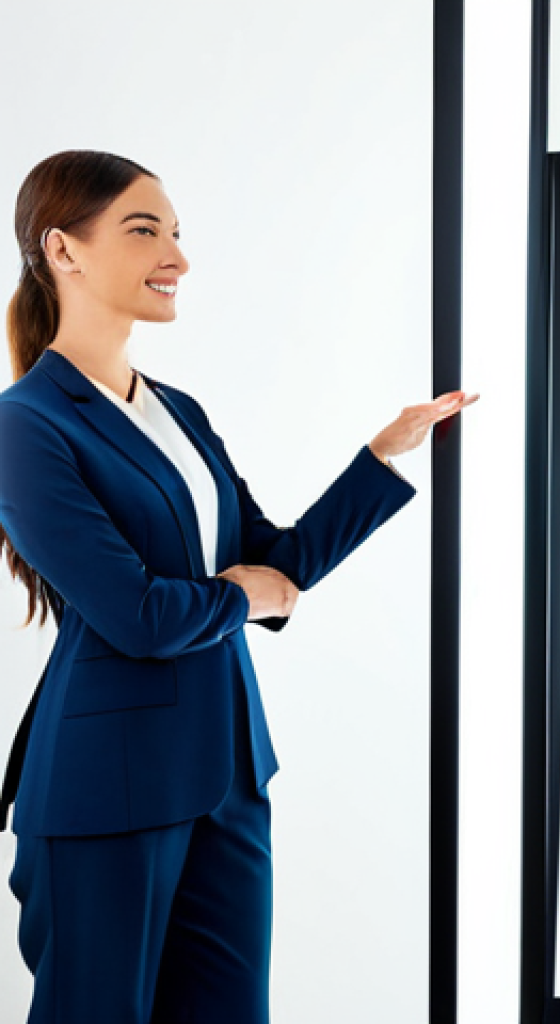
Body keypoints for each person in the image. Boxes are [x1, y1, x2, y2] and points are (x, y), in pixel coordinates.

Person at [0, 150, 476, 1024]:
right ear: (62, 250)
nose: (176, 256)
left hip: (226, 769)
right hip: (106, 788)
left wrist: (381, 460)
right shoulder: (23, 424)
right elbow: (137, 616)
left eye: (177, 233)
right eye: (145, 231)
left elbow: (273, 561)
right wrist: (245, 598)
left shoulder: (176, 409)